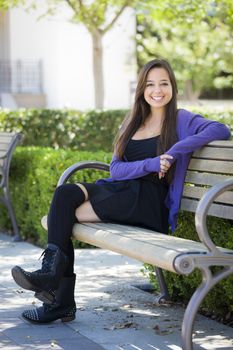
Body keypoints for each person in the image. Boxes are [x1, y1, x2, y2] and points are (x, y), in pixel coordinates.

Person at [11, 58, 231, 324]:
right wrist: (152, 162)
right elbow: (116, 170)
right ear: (142, 89)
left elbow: (221, 129)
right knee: (65, 194)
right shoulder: (133, 122)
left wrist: (173, 152)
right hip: (122, 192)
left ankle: (58, 296)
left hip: (148, 202)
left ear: (172, 87)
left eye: (163, 83)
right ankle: (53, 281)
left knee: (65, 215)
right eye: (150, 84)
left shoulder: (181, 119)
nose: (157, 90)